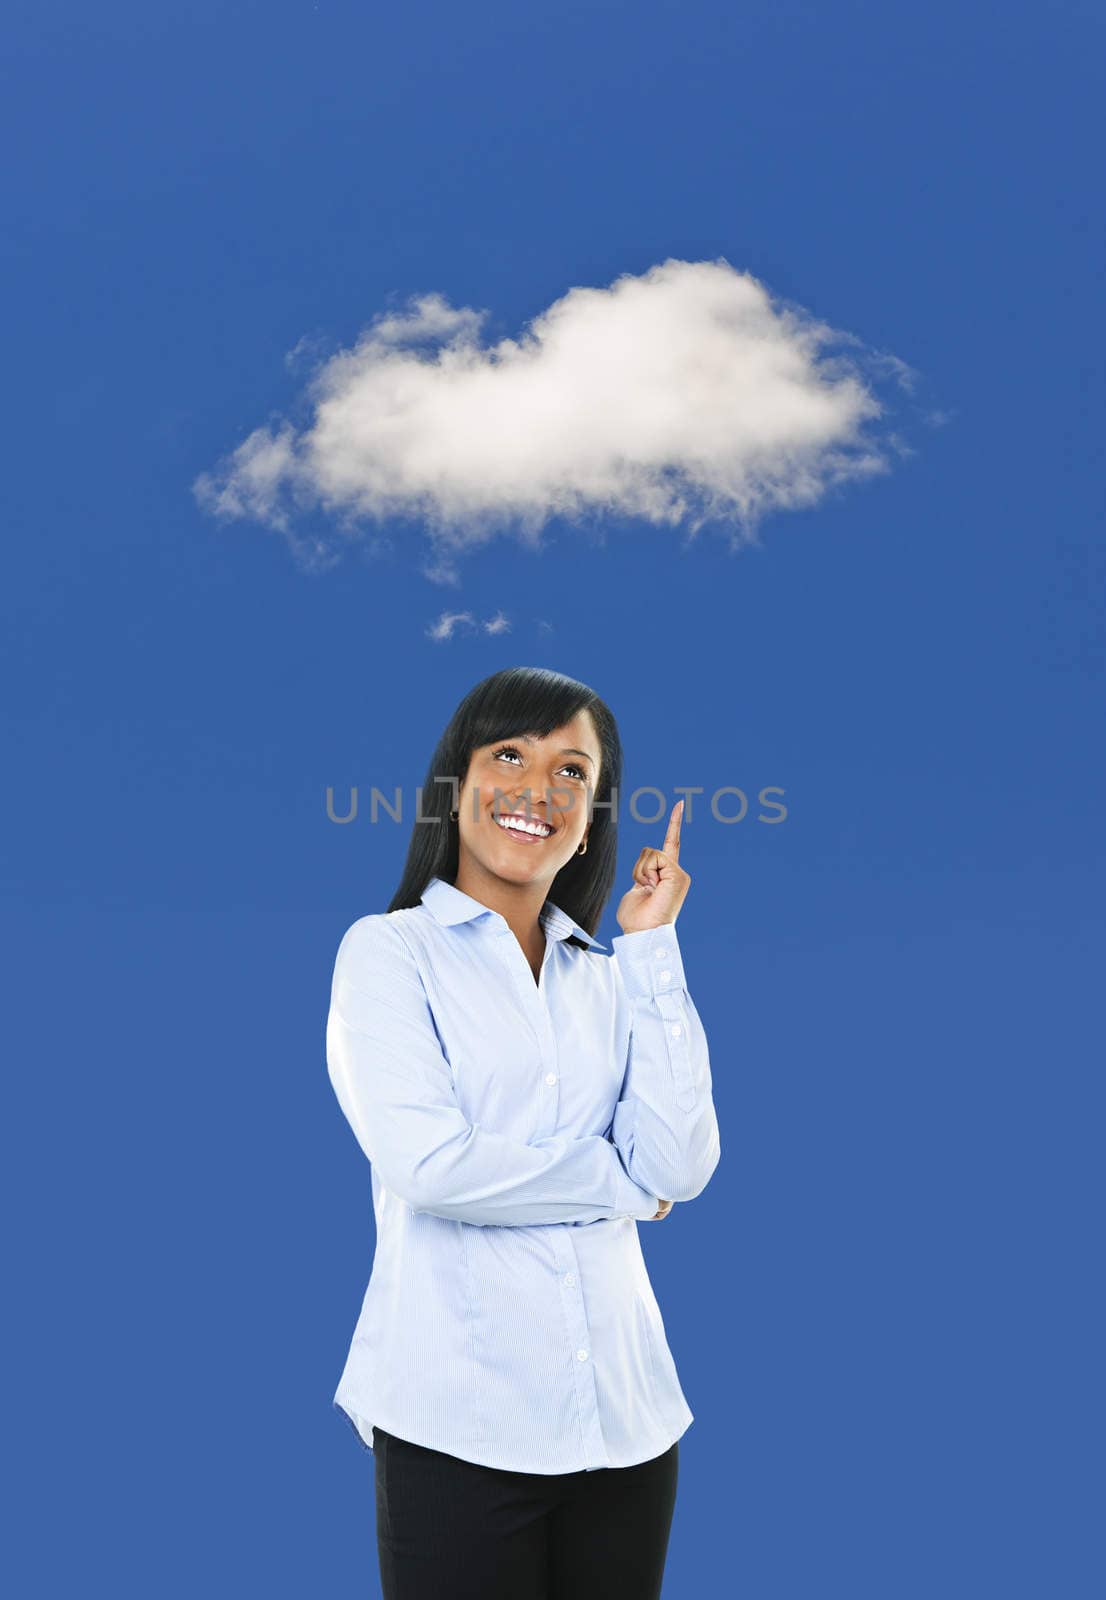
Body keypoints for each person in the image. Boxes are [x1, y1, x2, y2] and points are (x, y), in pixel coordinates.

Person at [325, 665, 721, 1598]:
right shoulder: (387, 954)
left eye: (572, 772)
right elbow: (432, 1166)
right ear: (456, 783)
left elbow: (682, 1164)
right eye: (510, 754)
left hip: (627, 1427)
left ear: (591, 818)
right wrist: (621, 1187)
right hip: (458, 1426)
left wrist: (654, 944)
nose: (539, 790)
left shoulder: (611, 978)